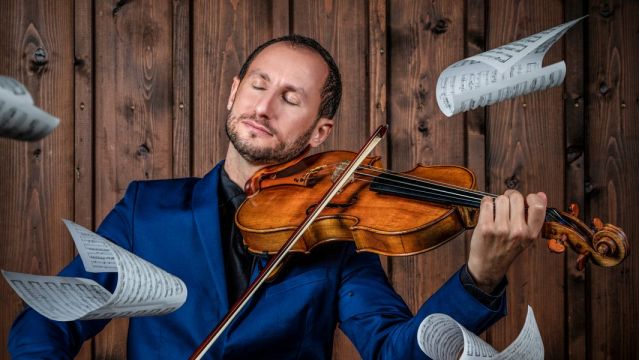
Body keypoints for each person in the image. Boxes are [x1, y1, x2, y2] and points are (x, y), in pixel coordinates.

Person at [8, 35, 547, 359]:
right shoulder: (146, 210)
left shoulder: (338, 241)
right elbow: (48, 320)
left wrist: (480, 279)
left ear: (319, 133)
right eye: (258, 85)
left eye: (290, 98)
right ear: (233, 92)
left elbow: (394, 350)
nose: (263, 108)